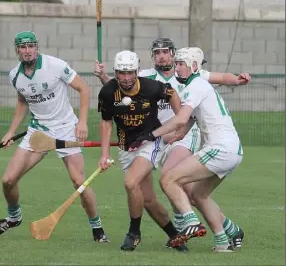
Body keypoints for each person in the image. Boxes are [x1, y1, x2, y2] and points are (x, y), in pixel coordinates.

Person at [94, 38, 249, 249]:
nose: (172, 63)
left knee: (169, 178)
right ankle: (227, 235)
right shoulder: (155, 77)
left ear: (191, 64)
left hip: (189, 139)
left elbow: (183, 117)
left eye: (173, 57)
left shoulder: (196, 82)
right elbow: (120, 87)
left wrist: (155, 134)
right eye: (158, 53)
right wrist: (104, 77)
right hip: (169, 135)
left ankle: (188, 222)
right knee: (194, 194)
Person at [0, 31, 109, 243]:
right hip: (38, 131)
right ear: (17, 50)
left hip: (65, 127)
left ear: (37, 48)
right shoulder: (15, 75)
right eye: (23, 47)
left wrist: (81, 122)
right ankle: (14, 217)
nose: (27, 51)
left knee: (79, 181)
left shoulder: (55, 65)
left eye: (31, 46)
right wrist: (10, 131)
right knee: (8, 180)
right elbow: (23, 101)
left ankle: (97, 228)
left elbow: (84, 89)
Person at [98, 50, 186, 252]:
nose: (126, 78)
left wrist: (180, 120)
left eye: (130, 73)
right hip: (126, 147)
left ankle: (134, 232)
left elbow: (171, 93)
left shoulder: (151, 87)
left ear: (137, 71)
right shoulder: (108, 93)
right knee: (147, 200)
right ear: (115, 72)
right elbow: (106, 123)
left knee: (130, 182)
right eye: (121, 73)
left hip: (150, 141)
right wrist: (104, 154)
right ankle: (175, 237)